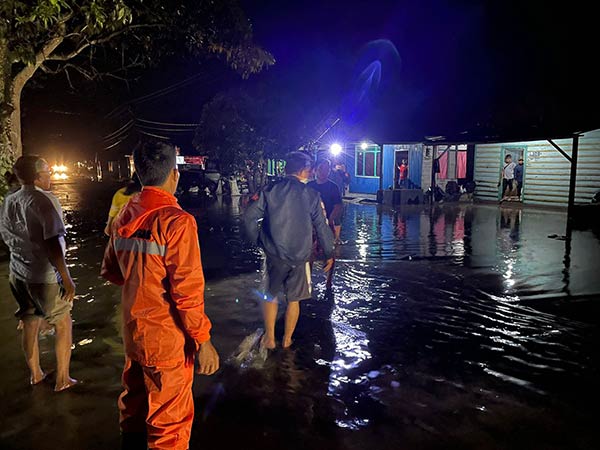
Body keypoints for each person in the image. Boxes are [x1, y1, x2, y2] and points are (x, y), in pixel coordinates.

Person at [101, 141, 219, 450]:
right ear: (174, 174)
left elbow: (112, 272)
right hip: (167, 341)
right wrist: (203, 340)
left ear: (138, 172)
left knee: (134, 411)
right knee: (170, 427)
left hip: (134, 333)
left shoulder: (124, 214)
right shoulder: (177, 222)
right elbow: (187, 293)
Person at [0, 156, 77, 391]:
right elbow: (53, 242)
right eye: (47, 171)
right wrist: (66, 277)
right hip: (44, 275)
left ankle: (35, 374)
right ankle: (63, 379)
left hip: (18, 273)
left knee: (30, 321)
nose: (50, 175)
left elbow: (6, 236)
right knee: (63, 322)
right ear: (37, 176)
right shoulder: (44, 201)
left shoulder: (9, 200)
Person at [244, 151, 334, 350]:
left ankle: (269, 338)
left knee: (270, 294)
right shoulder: (311, 195)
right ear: (304, 171)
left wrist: (258, 240)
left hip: (274, 253)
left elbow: (249, 218)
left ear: (286, 169)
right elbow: (322, 226)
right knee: (295, 299)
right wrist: (329, 252)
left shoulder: (269, 190)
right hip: (301, 257)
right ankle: (287, 339)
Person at [309, 159, 344, 245]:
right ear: (315, 170)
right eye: (321, 168)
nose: (323, 172)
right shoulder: (309, 186)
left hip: (328, 221)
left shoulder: (333, 187)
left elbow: (338, 206)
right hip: (312, 223)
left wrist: (330, 219)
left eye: (326, 169)